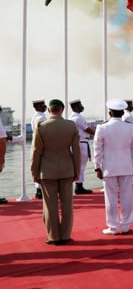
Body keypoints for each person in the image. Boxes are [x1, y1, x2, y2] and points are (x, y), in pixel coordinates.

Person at [30, 99, 81, 245]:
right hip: (67, 169)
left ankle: (53, 236)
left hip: (47, 171)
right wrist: (77, 171)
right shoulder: (71, 126)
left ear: (49, 110)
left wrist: (34, 173)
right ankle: (65, 235)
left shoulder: (41, 126)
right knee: (67, 205)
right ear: (62, 110)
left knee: (50, 205)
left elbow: (36, 152)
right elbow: (76, 152)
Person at [93, 99, 133, 235]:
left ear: (109, 112)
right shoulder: (131, 127)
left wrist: (97, 167)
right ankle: (125, 225)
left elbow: (98, 149)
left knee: (110, 198)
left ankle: (113, 227)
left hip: (109, 167)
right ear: (122, 112)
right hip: (126, 166)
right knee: (127, 197)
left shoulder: (102, 127)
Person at [69, 99, 95, 194]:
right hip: (81, 142)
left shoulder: (72, 117)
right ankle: (79, 187)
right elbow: (87, 129)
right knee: (81, 166)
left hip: (79, 142)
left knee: (79, 165)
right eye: (80, 105)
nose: (81, 106)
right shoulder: (77, 117)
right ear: (75, 107)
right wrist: (99, 133)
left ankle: (78, 185)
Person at [31, 99, 48, 199]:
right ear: (37, 107)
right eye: (42, 105)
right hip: (41, 145)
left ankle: (39, 190)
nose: (44, 107)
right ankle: (40, 191)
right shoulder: (41, 117)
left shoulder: (35, 116)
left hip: (37, 144)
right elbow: (43, 131)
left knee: (38, 167)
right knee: (43, 167)